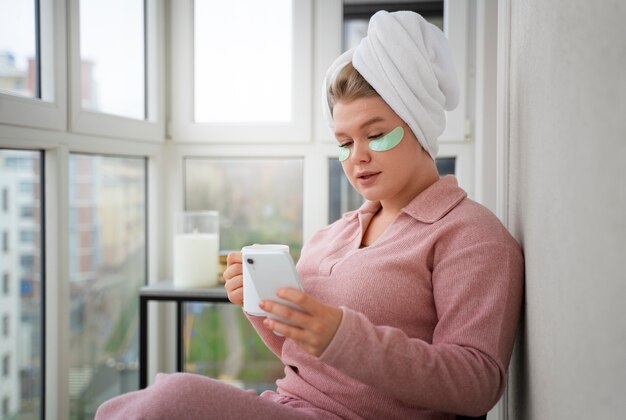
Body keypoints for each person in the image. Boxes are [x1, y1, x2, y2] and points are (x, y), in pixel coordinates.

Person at [95, 10, 524, 420]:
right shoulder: (332, 235)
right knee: (131, 406)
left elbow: (476, 382)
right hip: (289, 405)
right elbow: (307, 358)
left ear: (421, 125)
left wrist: (342, 335)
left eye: (376, 135)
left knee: (170, 400)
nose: (357, 157)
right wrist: (261, 306)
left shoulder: (470, 235)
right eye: (344, 142)